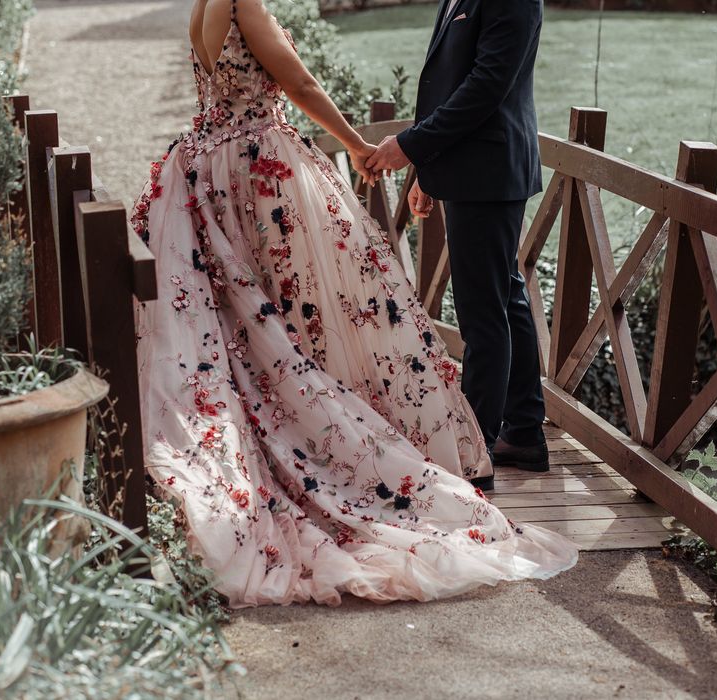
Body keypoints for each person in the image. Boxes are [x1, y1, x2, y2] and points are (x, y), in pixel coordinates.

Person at [131, 0, 576, 608]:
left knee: (489, 302)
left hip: (220, 169)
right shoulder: (244, 4)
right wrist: (362, 147)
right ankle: (477, 453)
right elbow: (302, 82)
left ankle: (508, 431)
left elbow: (487, 84)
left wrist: (413, 151)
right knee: (305, 311)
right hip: (261, 171)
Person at [367, 0, 551, 473]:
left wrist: (410, 147)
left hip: (488, 171)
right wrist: (429, 171)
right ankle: (524, 433)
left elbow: (486, 87)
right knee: (504, 296)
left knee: (482, 314)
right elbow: (445, 84)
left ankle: (475, 455)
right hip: (469, 166)